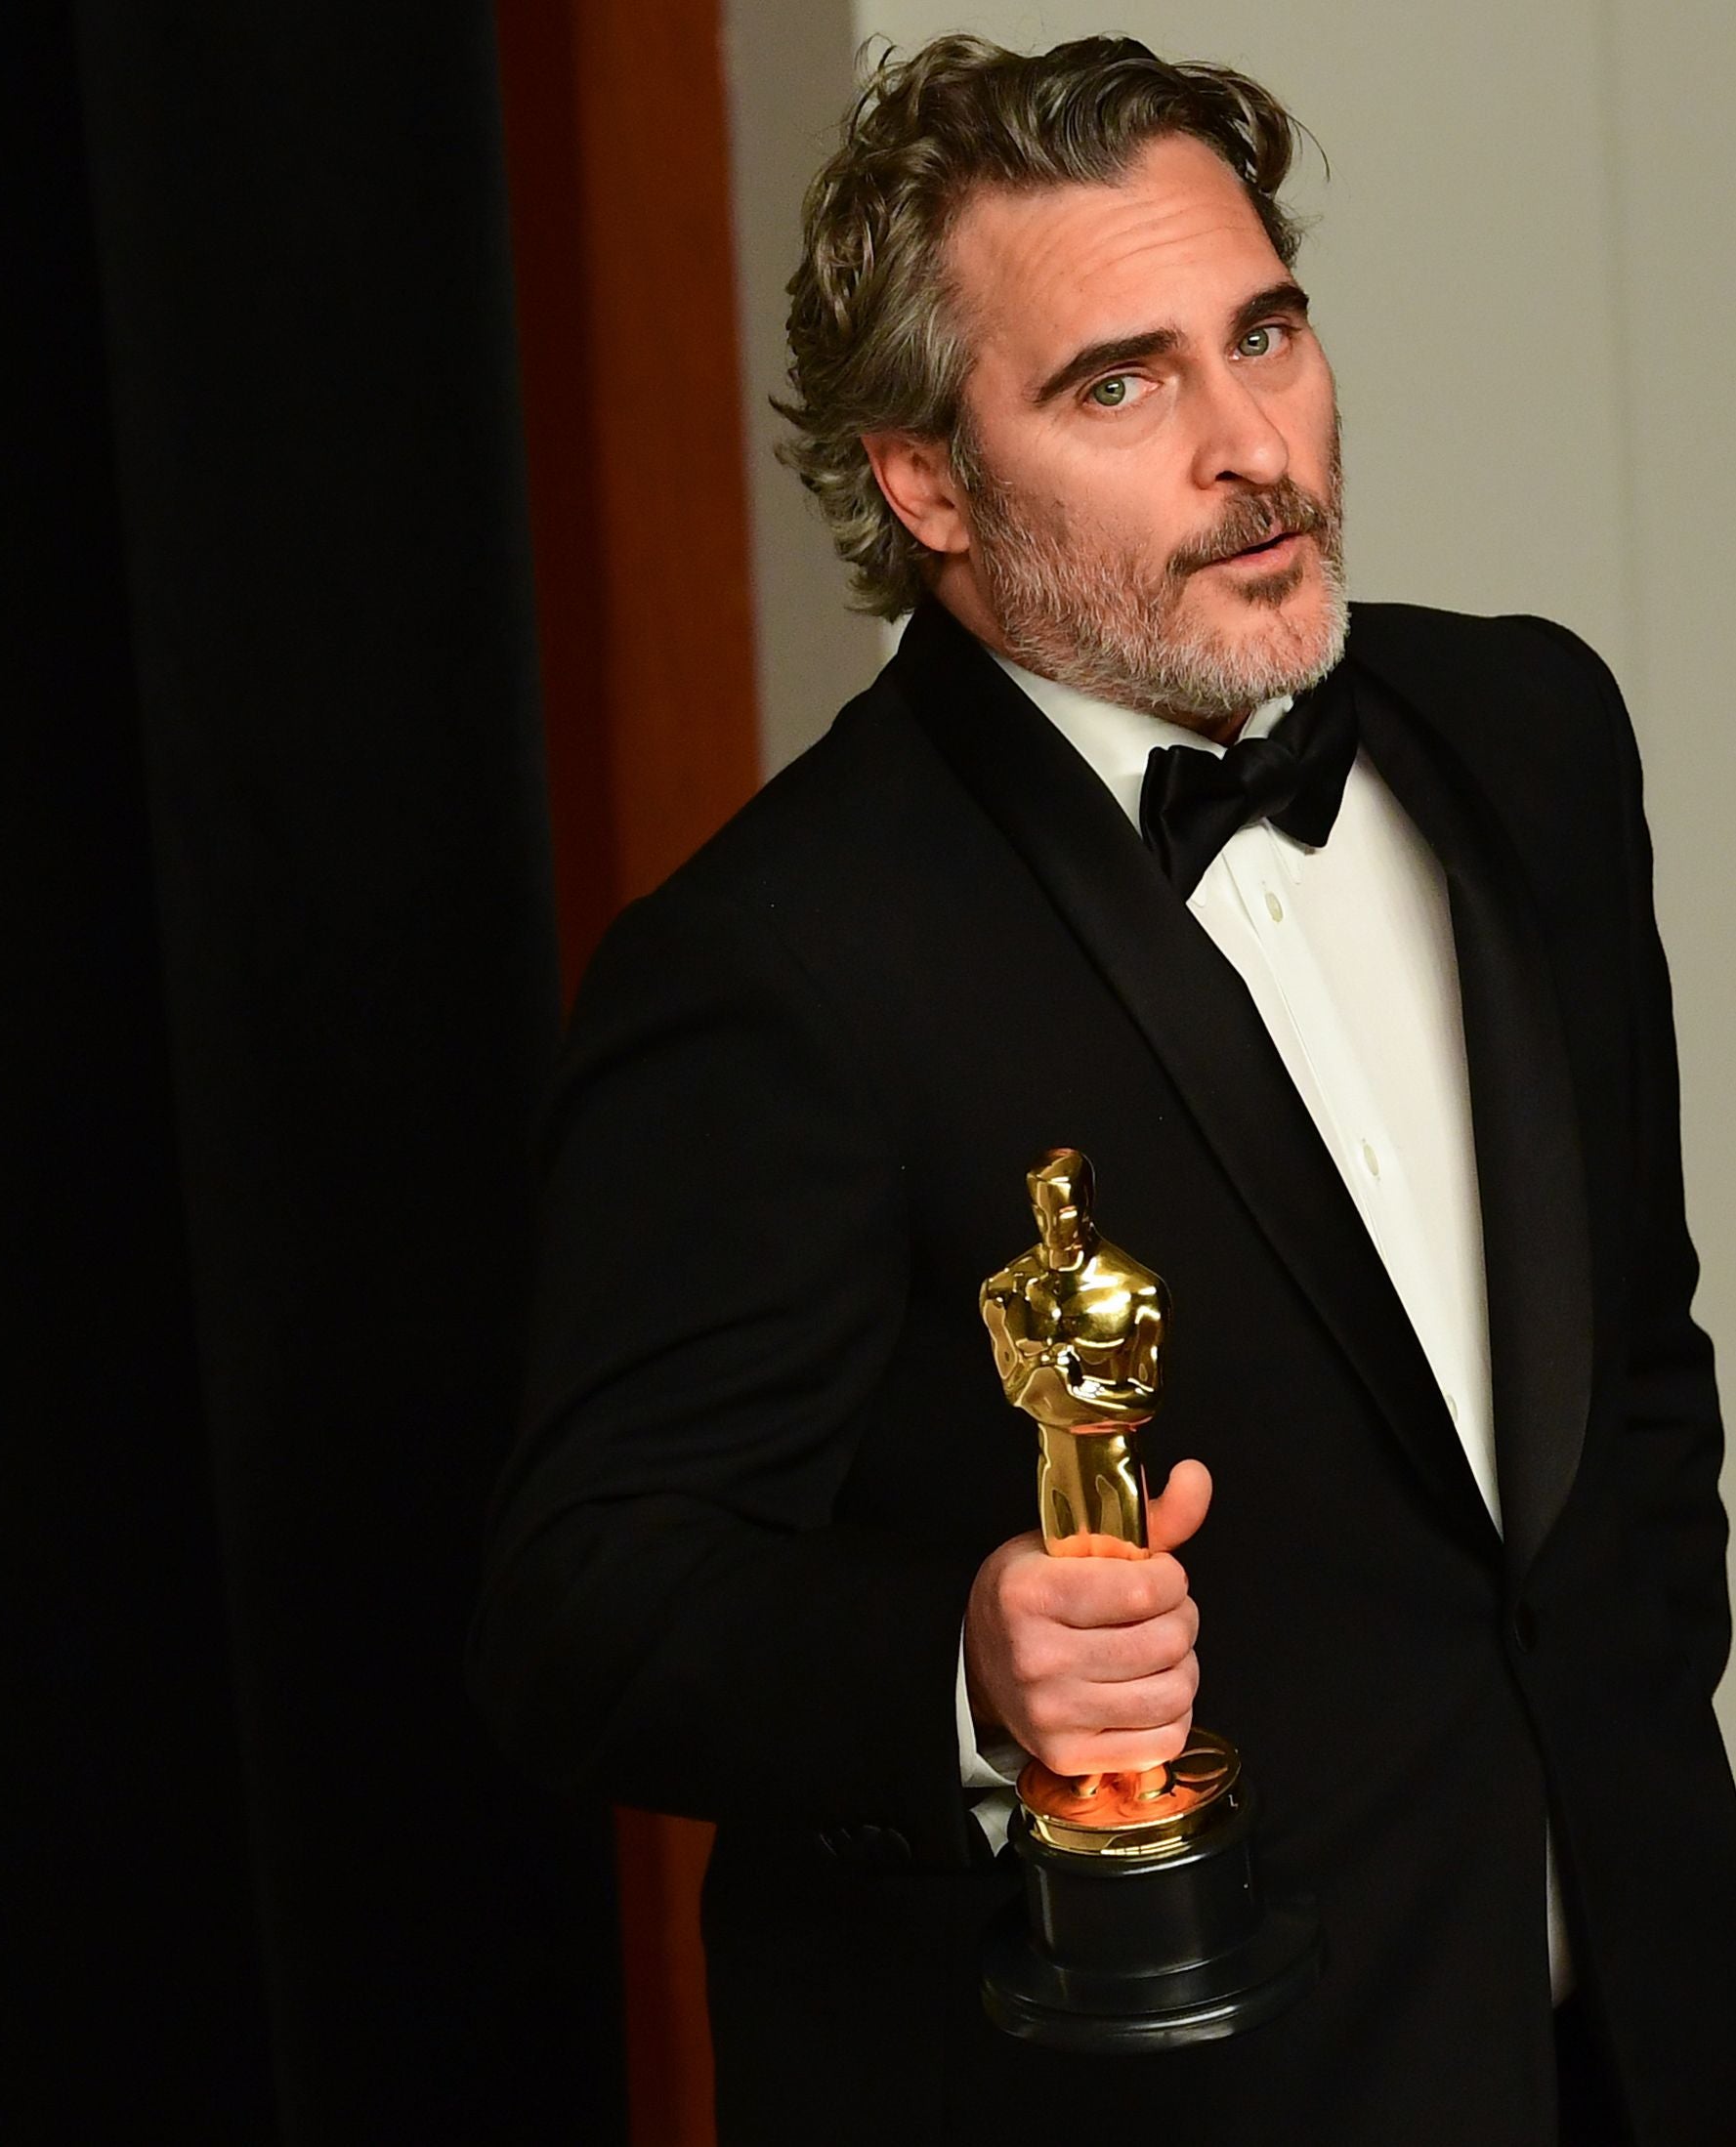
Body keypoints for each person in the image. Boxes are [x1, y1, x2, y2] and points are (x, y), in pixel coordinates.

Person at [470, 35, 1736, 2146]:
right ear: (926, 485)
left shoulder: (1528, 729)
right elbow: (577, 1610)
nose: (1254, 447)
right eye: (1116, 384)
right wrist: (964, 1673)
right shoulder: (772, 963)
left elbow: (1634, 1364)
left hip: (1636, 2025)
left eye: (1265, 330)